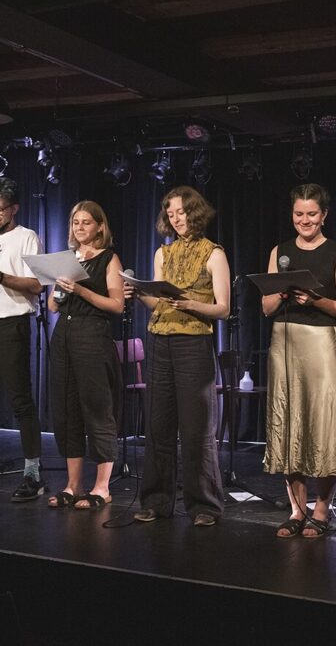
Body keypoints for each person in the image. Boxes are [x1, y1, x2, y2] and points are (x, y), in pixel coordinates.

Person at [130, 185, 229, 526]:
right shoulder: (162, 253)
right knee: (158, 425)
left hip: (193, 343)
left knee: (196, 427)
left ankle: (204, 506)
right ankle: (157, 501)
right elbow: (158, 303)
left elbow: (223, 308)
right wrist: (139, 292)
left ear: (194, 212)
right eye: (170, 214)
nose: (176, 219)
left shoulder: (213, 253)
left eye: (181, 212)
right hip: (160, 340)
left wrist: (191, 304)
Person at [262, 183, 336, 538]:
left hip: (320, 342)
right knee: (288, 423)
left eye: (312, 214)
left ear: (324, 215)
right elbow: (267, 306)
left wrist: (315, 300)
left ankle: (320, 508)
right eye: (299, 214)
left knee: (321, 422)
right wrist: (281, 293)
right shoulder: (279, 251)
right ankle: (296, 510)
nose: (305, 220)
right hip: (284, 340)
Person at [47, 201, 124, 509]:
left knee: (96, 408)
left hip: (92, 335)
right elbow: (53, 307)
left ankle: (102, 487)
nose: (80, 228)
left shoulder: (109, 258)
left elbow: (117, 305)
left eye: (86, 223)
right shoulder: (67, 259)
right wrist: (59, 286)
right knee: (66, 411)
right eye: (76, 223)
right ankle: (73, 485)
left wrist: (81, 291)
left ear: (99, 227)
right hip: (63, 335)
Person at [0, 177, 46, 502]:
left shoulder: (26, 236)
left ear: (14, 208)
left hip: (12, 323)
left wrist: (1, 277)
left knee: (20, 400)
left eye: (0, 209)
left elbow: (36, 286)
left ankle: (32, 474)